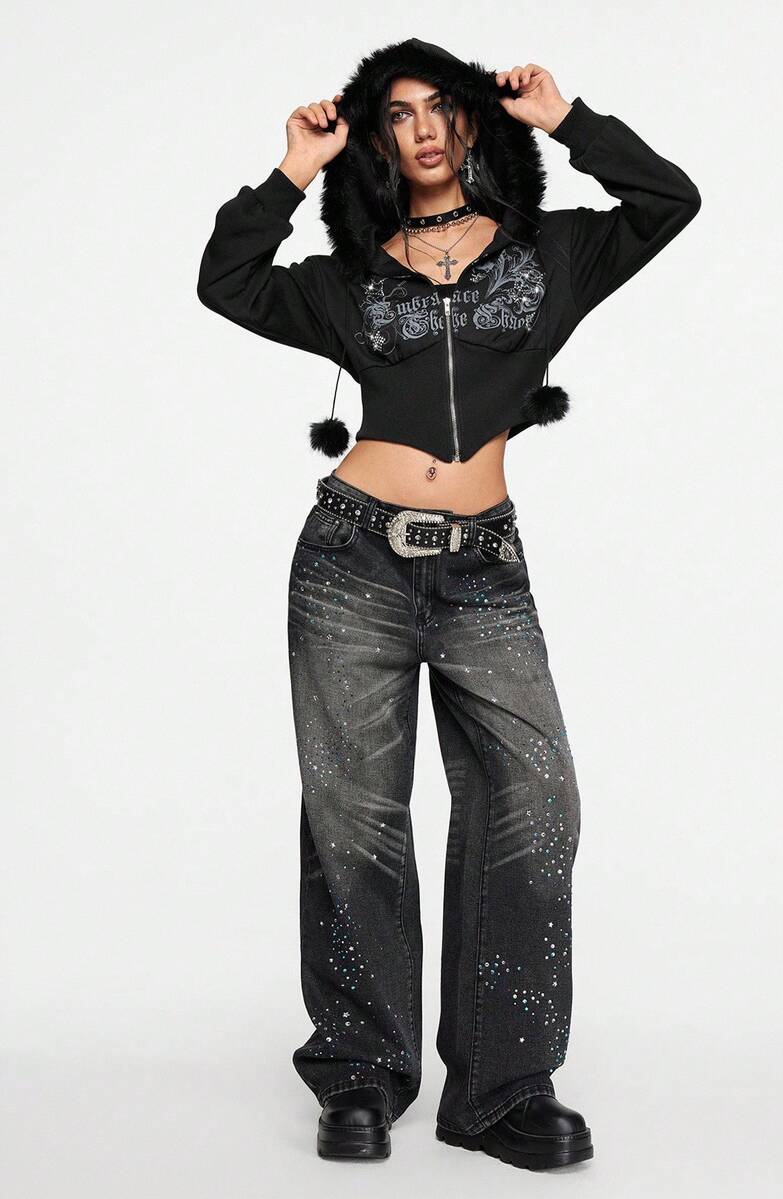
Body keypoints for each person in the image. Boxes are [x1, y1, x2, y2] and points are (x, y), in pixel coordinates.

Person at [197, 37, 700, 1171]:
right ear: (377, 141)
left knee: (535, 802)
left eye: (441, 107)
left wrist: (565, 117)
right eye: (397, 115)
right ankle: (361, 1074)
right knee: (355, 818)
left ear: (472, 121)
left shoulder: (553, 253)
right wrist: (293, 167)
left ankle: (502, 1090)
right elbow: (225, 280)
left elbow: (669, 200)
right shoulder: (345, 278)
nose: (422, 128)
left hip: (485, 570)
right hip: (351, 562)